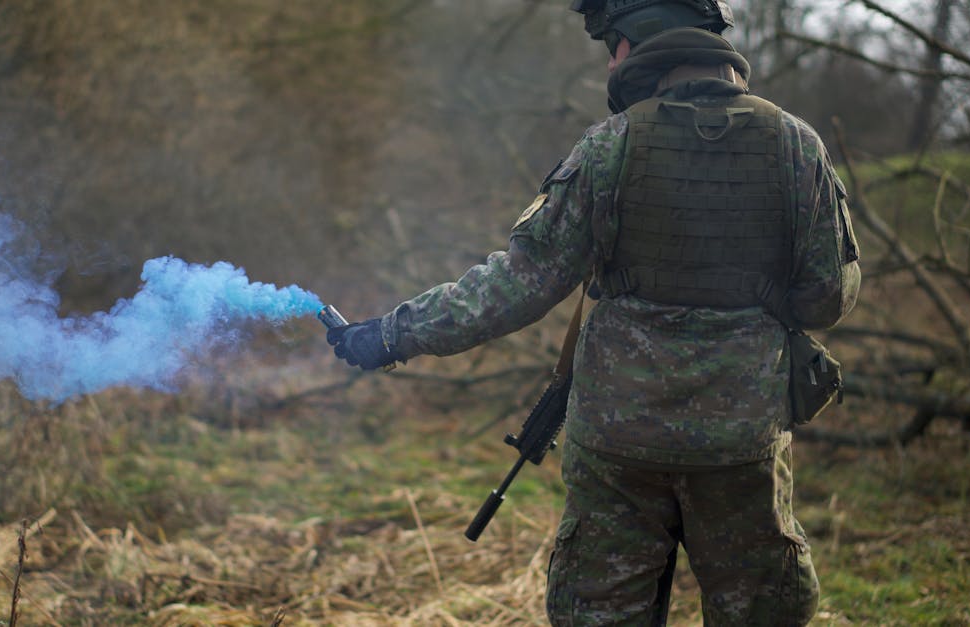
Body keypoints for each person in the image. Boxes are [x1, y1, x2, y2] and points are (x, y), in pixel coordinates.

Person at [327, 0, 861, 624]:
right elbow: (829, 297)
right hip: (741, 442)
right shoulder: (796, 145)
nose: (610, 60)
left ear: (637, 44)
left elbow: (515, 286)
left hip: (618, 448)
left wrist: (389, 335)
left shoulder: (610, 145)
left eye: (612, 44)